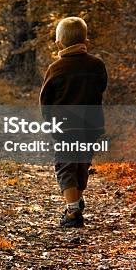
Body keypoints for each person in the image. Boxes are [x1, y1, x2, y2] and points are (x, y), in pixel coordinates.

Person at [39, 17, 108, 228]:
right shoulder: (97, 65)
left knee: (66, 166)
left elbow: (46, 100)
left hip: (66, 127)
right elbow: (101, 88)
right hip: (91, 126)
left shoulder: (56, 68)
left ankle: (73, 212)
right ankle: (75, 200)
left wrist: (50, 121)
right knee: (81, 165)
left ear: (59, 43)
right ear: (85, 39)